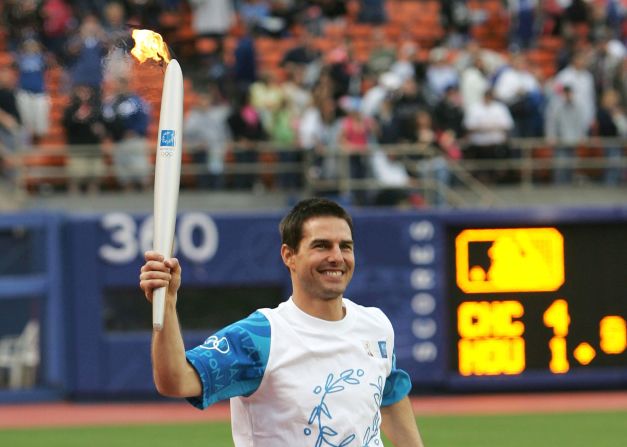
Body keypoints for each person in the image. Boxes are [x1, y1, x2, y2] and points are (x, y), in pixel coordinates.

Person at [139, 197, 425, 446]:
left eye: (345, 246)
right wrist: (168, 304)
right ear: (289, 255)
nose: (337, 257)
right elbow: (175, 381)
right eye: (322, 246)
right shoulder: (260, 337)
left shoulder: (375, 325)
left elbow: (389, 398)